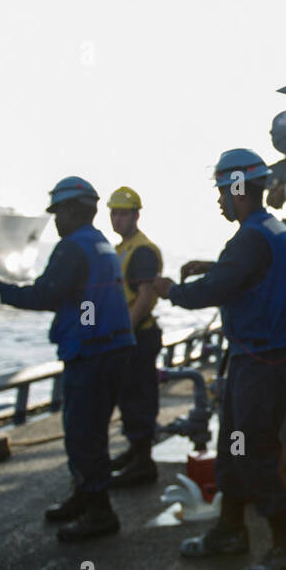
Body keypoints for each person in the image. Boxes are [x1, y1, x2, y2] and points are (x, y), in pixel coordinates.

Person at [151, 148, 286, 570]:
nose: (220, 200)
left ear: (240, 189)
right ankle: (230, 530)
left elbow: (219, 287)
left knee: (254, 452)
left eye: (224, 191)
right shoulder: (269, 229)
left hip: (264, 360)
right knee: (233, 448)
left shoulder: (249, 238)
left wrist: (171, 290)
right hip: (264, 357)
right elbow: (246, 273)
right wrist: (213, 266)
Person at [0, 177, 135, 542]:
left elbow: (46, 294)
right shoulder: (101, 245)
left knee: (83, 433)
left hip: (93, 352)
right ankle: (84, 496)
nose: (56, 220)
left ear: (76, 210)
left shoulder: (73, 247)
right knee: (91, 430)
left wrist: (0, 287)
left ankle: (99, 512)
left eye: (59, 211)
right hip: (112, 347)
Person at [106, 185, 163, 488]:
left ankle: (143, 463)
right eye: (113, 213)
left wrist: (123, 333)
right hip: (130, 335)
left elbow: (143, 297)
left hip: (137, 336)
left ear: (136, 216)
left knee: (139, 398)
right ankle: (135, 452)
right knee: (129, 398)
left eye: (123, 214)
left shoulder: (141, 250)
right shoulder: (123, 249)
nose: (117, 219)